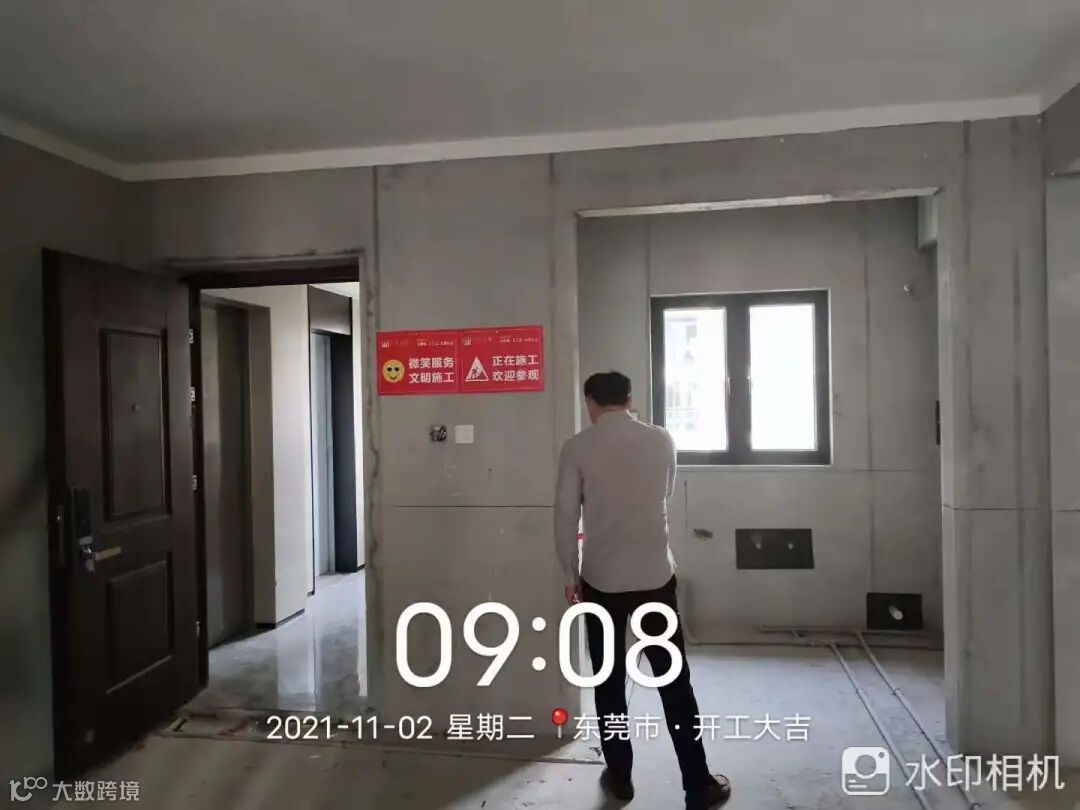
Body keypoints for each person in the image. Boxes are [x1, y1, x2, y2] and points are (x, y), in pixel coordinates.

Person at [554, 371, 731, 809]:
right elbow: (664, 494)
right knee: (674, 680)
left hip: (601, 580)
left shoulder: (577, 447)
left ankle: (620, 776)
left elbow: (565, 517)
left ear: (590, 402)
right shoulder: (661, 439)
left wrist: (570, 574)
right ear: (630, 399)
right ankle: (698, 782)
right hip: (654, 576)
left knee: (608, 680)